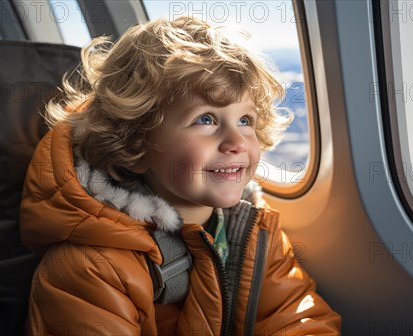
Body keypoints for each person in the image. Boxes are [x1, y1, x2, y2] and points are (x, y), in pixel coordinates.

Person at [20, 17, 341, 335]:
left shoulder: (253, 230)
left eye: (245, 120)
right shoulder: (92, 266)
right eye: (206, 119)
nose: (237, 142)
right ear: (137, 141)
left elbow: (297, 317)